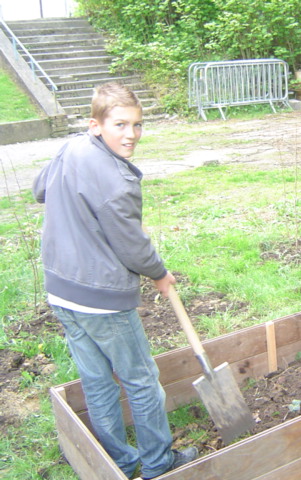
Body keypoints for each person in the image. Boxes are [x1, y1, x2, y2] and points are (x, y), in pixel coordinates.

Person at [33, 83, 198, 479]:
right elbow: (132, 247)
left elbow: (41, 189)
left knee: (96, 380)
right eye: (120, 124)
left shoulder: (71, 148)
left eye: (138, 125)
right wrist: (159, 273)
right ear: (96, 124)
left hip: (60, 289)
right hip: (101, 298)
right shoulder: (118, 181)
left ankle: (119, 464)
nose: (131, 135)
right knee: (141, 381)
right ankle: (159, 464)